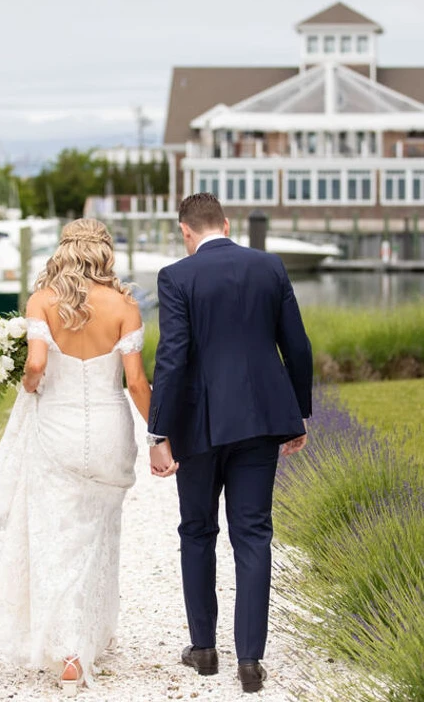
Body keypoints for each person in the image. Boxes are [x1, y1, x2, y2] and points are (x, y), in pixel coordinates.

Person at [0, 218, 177, 696]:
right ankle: (91, 637)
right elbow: (136, 383)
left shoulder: (43, 301)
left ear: (64, 251)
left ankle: (69, 650)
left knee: (58, 538)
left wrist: (28, 383)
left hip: (56, 433)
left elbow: (38, 363)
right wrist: (159, 439)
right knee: (99, 537)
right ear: (105, 252)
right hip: (108, 432)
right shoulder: (126, 306)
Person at [147, 193, 313, 694]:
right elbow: (297, 344)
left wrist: (158, 432)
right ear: (225, 222)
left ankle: (203, 650)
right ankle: (250, 660)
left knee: (198, 531)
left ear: (186, 231)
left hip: (197, 426)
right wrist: (298, 413)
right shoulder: (269, 266)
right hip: (262, 420)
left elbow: (172, 358)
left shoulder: (176, 276)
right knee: (254, 533)